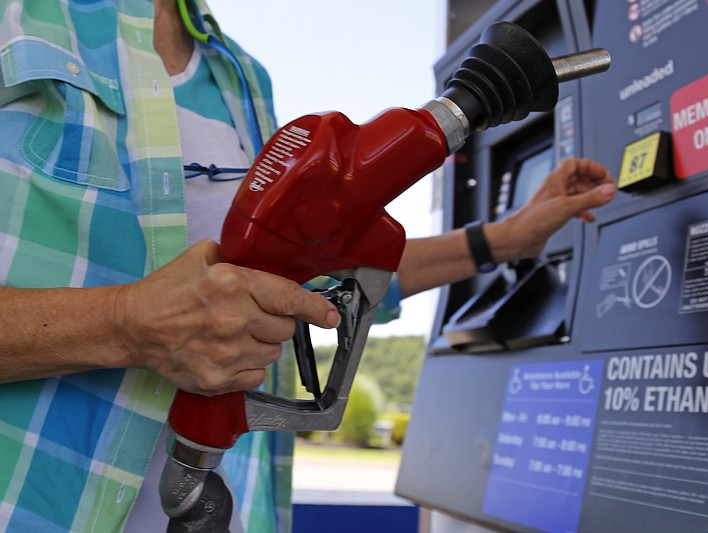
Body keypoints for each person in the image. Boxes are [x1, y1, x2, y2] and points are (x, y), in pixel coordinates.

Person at [0, 0, 617, 531]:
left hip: (207, 505)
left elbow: (311, 263)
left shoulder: (240, 76)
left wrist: (505, 239)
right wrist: (126, 323)